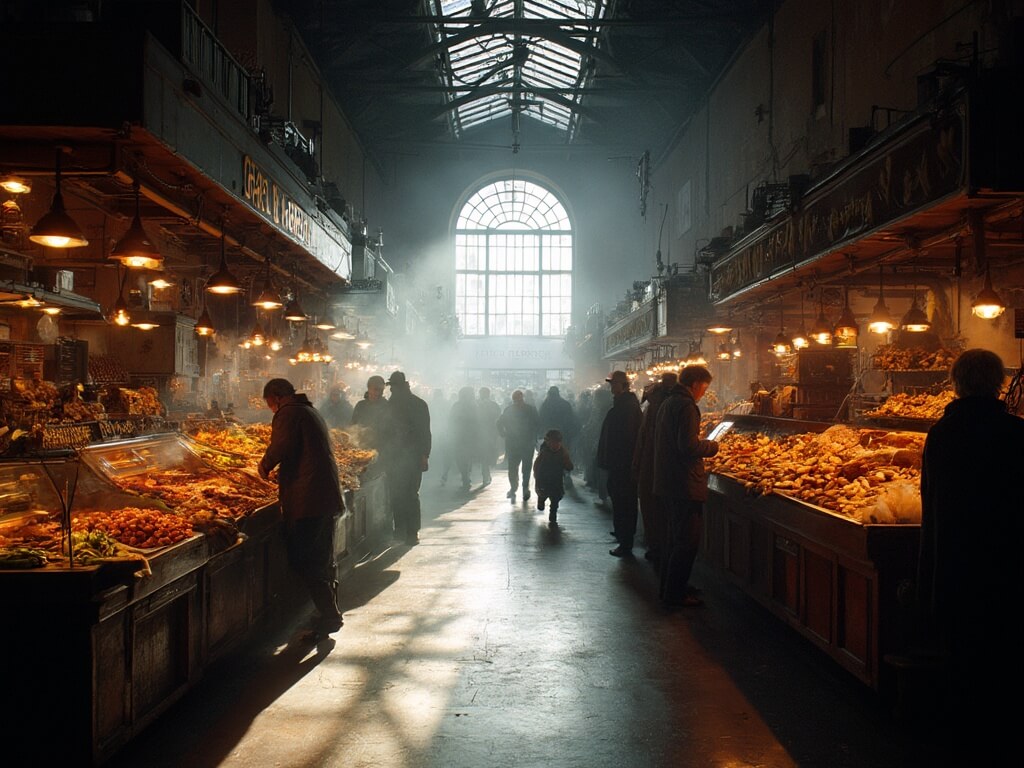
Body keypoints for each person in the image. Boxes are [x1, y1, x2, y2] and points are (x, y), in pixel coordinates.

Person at [915, 348, 1024, 755]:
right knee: (1002, 650)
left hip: (954, 560)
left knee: (959, 654)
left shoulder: (942, 434)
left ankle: (958, 735)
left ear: (956, 383)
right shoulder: (1015, 434)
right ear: (998, 382)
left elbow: (931, 500)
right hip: (1004, 562)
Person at [257, 378, 344, 638]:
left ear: (276, 396)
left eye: (270, 404)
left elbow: (281, 446)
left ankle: (329, 615)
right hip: (322, 494)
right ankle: (326, 612)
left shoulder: (290, 412)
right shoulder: (308, 409)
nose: (272, 410)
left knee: (306, 559)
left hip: (310, 498)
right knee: (320, 558)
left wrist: (264, 467)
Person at [653, 365, 718, 608]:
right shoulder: (686, 406)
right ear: (695, 384)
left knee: (674, 538)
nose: (703, 392)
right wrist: (712, 446)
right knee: (686, 542)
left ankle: (671, 587)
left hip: (669, 481)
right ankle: (675, 594)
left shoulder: (668, 403)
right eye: (704, 387)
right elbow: (688, 446)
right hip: (683, 483)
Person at [631, 371, 678, 566]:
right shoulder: (666, 408)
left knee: (651, 510)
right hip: (661, 469)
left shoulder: (651, 407)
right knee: (661, 513)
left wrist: (636, 464)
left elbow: (642, 441)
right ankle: (660, 549)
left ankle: (655, 546)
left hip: (648, 467)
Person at [598, 370, 643, 557]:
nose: (611, 388)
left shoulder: (627, 407)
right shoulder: (623, 405)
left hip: (623, 465)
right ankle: (623, 536)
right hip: (619, 464)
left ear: (624, 385)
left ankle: (626, 542)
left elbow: (626, 438)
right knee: (621, 501)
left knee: (624, 503)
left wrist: (620, 461)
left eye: (614, 384)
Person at [385, 371, 431, 545]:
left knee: (405, 494)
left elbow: (424, 433)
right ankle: (408, 531)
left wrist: (424, 455)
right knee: (407, 494)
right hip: (404, 456)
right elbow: (426, 433)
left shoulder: (396, 404)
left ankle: (406, 531)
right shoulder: (418, 403)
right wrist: (424, 454)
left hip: (406, 456)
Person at [497, 389, 540, 504]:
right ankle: (525, 488)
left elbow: (499, 423)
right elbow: (537, 424)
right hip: (527, 443)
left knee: (513, 467)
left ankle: (513, 488)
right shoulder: (531, 409)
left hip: (512, 443)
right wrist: (534, 437)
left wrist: (503, 434)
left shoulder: (508, 410)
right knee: (526, 467)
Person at [538, 385, 581, 487]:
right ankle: (566, 474)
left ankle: (550, 476)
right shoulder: (565, 404)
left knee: (549, 455)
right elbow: (571, 419)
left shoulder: (545, 404)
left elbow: (541, 419)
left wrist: (541, 433)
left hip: (549, 435)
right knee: (564, 454)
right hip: (563, 435)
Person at [350, 375, 391, 477]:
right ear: (369, 389)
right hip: (361, 450)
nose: (378, 393)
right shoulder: (361, 405)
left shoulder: (386, 407)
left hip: (380, 451)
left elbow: (390, 430)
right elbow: (353, 425)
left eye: (381, 390)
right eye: (376, 389)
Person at [533, 428, 574, 525]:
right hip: (544, 478)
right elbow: (537, 466)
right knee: (543, 493)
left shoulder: (563, 452)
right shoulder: (544, 453)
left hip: (557, 479)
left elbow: (568, 464)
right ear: (547, 443)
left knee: (555, 497)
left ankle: (553, 515)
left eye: (557, 443)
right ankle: (541, 500)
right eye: (552, 442)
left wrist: (568, 466)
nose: (555, 445)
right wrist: (537, 476)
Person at [448, 385, 481, 492]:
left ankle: (465, 477)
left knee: (461, 458)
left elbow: (451, 420)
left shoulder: (457, 406)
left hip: (460, 437)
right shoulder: (475, 406)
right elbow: (479, 421)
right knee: (467, 458)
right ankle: (466, 476)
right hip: (470, 437)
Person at [476, 386, 501, 485]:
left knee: (485, 454)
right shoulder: (492, 404)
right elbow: (498, 415)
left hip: (482, 433)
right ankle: (486, 472)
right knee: (486, 453)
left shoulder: (477, 404)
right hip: (489, 433)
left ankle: (485, 472)